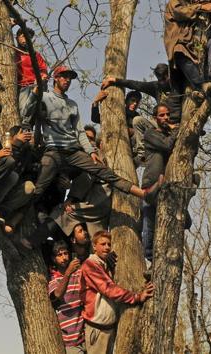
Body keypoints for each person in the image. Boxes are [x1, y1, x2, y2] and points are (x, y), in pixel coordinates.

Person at [20, 65, 152, 201]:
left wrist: (91, 152)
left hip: (73, 151)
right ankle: (18, 215)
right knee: (40, 186)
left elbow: (79, 132)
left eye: (70, 78)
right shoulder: (44, 97)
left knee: (103, 170)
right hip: (53, 150)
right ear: (56, 78)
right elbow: (26, 112)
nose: (68, 80)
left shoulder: (72, 104)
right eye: (64, 77)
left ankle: (143, 194)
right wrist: (37, 89)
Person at [80, 231, 155, 353]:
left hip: (109, 329)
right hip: (97, 330)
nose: (107, 247)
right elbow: (109, 289)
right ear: (94, 246)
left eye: (109, 244)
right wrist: (137, 297)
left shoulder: (104, 265)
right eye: (103, 244)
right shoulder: (90, 265)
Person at [141, 104, 177, 261]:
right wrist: (175, 130)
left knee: (184, 221)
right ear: (155, 118)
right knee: (149, 226)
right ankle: (150, 258)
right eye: (162, 115)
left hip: (168, 187)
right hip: (152, 184)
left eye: (168, 114)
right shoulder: (151, 133)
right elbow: (166, 145)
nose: (166, 117)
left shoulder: (169, 134)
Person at [164, 0, 211, 94]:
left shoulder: (194, 5)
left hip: (196, 42)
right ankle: (201, 85)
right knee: (179, 51)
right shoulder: (174, 2)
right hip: (180, 42)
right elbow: (180, 12)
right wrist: (201, 7)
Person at [101, 63, 183, 122]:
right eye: (160, 79)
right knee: (138, 121)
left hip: (176, 123)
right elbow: (136, 85)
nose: (162, 82)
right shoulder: (157, 87)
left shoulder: (179, 85)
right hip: (161, 124)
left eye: (165, 78)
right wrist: (115, 80)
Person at [48, 241, 86, 354]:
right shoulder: (53, 278)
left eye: (66, 253)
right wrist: (68, 272)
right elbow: (57, 294)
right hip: (70, 342)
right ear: (54, 259)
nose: (64, 257)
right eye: (59, 255)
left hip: (86, 336)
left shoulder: (78, 273)